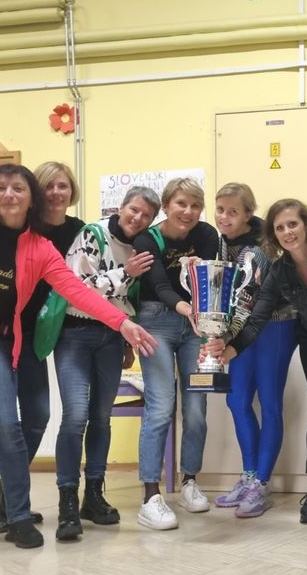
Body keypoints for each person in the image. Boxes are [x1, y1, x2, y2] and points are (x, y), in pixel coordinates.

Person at [0, 164, 156, 554]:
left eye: (18, 188)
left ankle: (18, 517)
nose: (9, 195)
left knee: (9, 428)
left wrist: (122, 323)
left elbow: (76, 290)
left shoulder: (40, 247)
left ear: (31, 198)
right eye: (1, 187)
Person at [205, 199, 307, 525]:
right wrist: (230, 349)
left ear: (306, 225)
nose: (287, 232)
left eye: (292, 224)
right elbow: (257, 319)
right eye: (280, 227)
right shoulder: (280, 270)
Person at [0, 161, 87, 534]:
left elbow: (82, 283)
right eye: (48, 186)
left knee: (37, 415)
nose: (56, 193)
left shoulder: (78, 231)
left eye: (63, 185)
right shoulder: (12, 221)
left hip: (32, 336)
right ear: (35, 194)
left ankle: (8, 498)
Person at [53, 186, 162, 541]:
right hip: (75, 333)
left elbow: (129, 300)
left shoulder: (141, 248)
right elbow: (77, 288)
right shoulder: (93, 234)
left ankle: (94, 495)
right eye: (134, 210)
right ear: (121, 207)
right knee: (75, 416)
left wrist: (126, 338)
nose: (138, 219)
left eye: (146, 216)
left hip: (112, 338)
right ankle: (67, 499)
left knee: (101, 417)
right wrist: (124, 273)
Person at [132, 178, 219, 530]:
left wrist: (199, 272)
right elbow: (159, 285)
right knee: (161, 405)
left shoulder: (208, 235)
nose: (188, 211)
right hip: (156, 322)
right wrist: (187, 308)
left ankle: (189, 482)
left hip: (196, 327)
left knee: (197, 407)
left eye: (195, 205)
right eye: (181, 203)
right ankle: (150, 496)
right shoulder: (147, 239)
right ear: (166, 206)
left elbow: (212, 283)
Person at [210, 183, 297, 519]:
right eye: (220, 209)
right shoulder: (220, 241)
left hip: (275, 325)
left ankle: (261, 483)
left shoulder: (261, 246)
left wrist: (227, 341)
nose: (224, 217)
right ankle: (248, 476)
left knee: (270, 403)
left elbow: (246, 302)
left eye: (233, 211)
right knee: (237, 401)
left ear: (248, 214)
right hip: (242, 328)